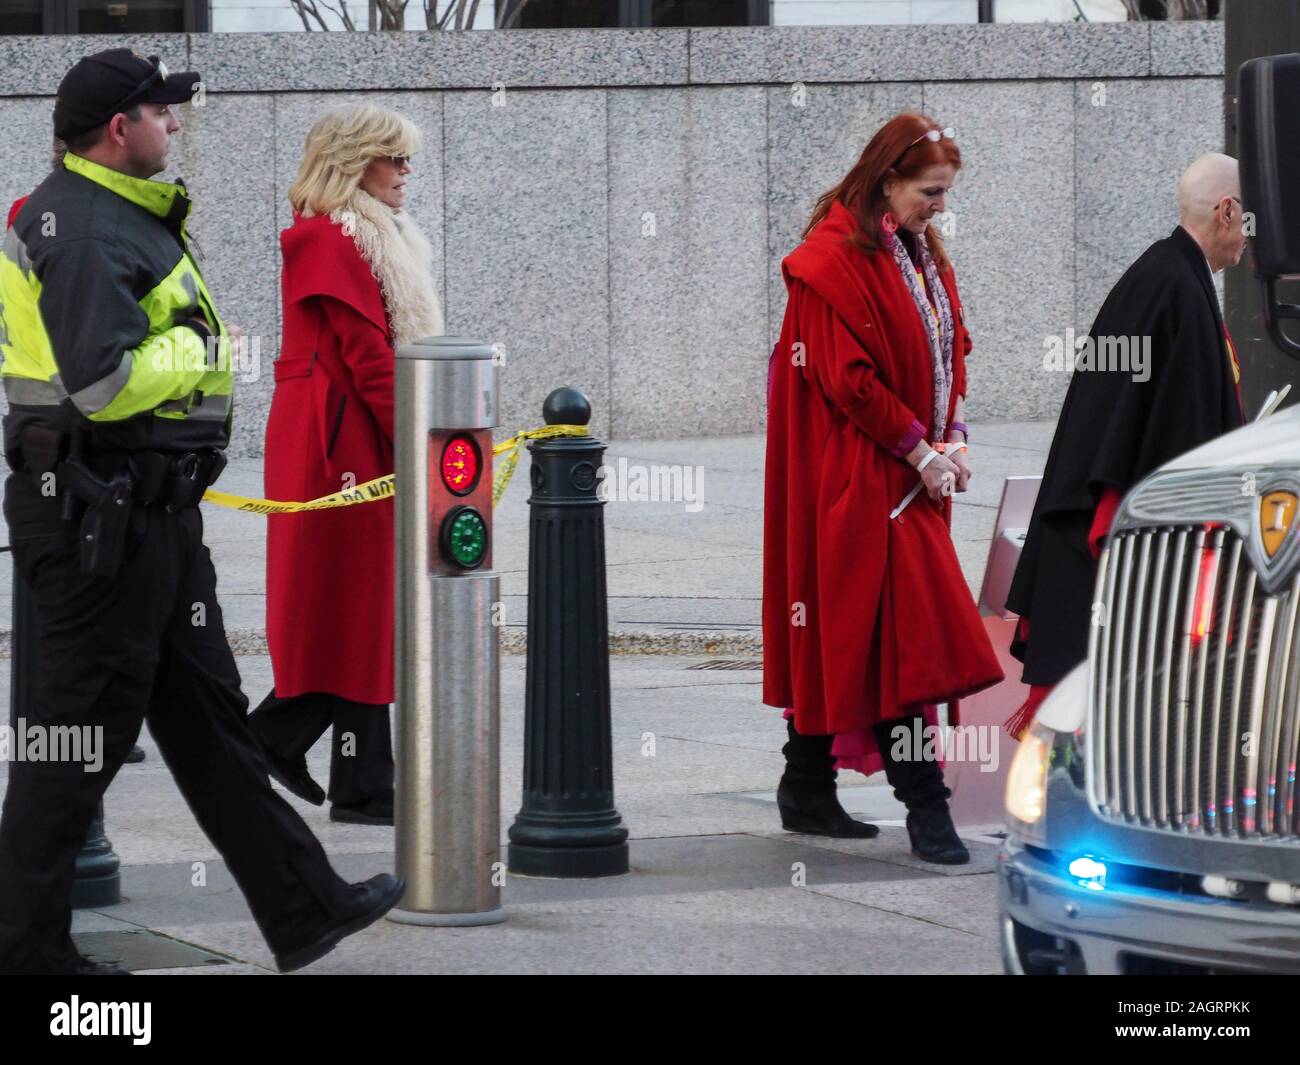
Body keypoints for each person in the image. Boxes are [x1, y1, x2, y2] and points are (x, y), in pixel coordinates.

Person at [0, 48, 403, 974]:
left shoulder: (123, 217)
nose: (174, 126)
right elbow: (103, 382)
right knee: (73, 748)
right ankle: (24, 950)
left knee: (215, 726)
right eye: (162, 113)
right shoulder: (86, 228)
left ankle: (305, 905)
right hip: (101, 524)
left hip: (148, 521)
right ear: (118, 129)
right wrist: (193, 352)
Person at [764, 112, 1003, 865]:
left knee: (859, 638)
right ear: (889, 180)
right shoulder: (828, 261)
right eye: (930, 191)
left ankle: (805, 783)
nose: (940, 206)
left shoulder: (919, 251)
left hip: (903, 472)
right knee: (907, 649)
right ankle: (926, 807)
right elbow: (849, 381)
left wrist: (952, 433)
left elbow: (948, 349)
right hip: (859, 476)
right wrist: (920, 450)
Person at [1004, 153, 1248, 738]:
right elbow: (1182, 442)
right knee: (1111, 725)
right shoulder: (1176, 289)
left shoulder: (1165, 276)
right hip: (1117, 555)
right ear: (1227, 210)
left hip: (1097, 535)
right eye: (1250, 221)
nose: (1251, 240)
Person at [247, 105, 443, 826]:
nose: (405, 172)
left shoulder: (362, 234)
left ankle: (364, 782)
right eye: (393, 158)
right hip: (340, 445)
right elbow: (370, 364)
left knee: (364, 606)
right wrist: (423, 445)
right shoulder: (332, 238)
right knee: (353, 603)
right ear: (355, 161)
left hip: (341, 435)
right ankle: (270, 737)